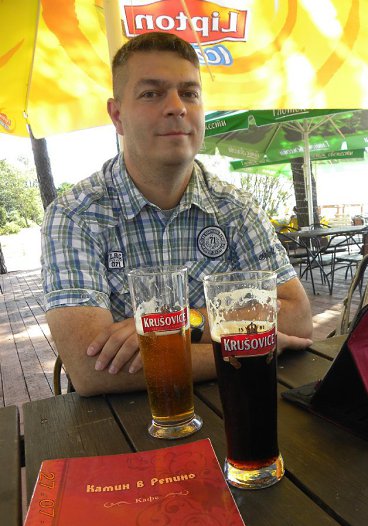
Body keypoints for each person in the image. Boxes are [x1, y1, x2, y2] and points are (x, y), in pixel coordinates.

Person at [41, 32, 313, 397]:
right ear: (117, 116)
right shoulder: (75, 216)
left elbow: (297, 318)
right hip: (120, 424)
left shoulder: (236, 209)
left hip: (233, 411)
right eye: (151, 93)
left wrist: (183, 322)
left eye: (189, 92)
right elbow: (92, 370)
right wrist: (251, 345)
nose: (176, 107)